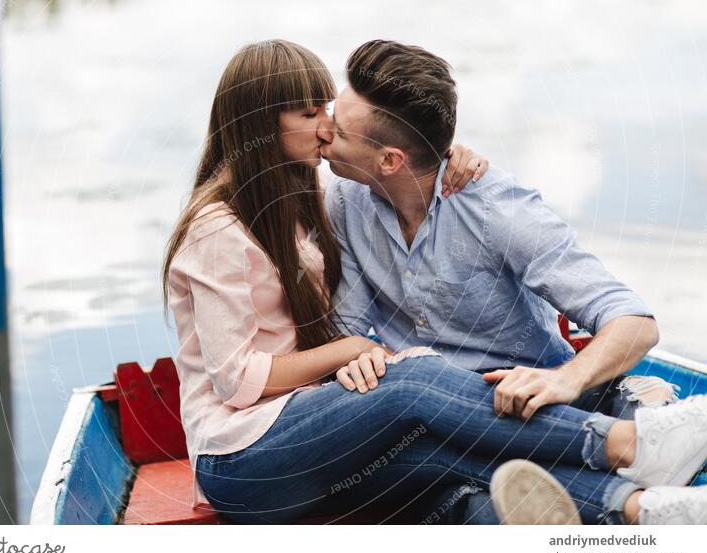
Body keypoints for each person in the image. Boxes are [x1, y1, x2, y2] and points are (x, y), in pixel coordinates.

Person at [163, 39, 707, 526]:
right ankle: (632, 446)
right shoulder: (336, 202)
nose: (326, 129)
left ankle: (645, 512)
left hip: (517, 403)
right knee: (419, 387)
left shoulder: (486, 207)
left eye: (330, 117)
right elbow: (323, 341)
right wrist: (351, 353)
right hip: (281, 439)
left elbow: (632, 319)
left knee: (446, 469)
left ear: (392, 159)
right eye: (314, 114)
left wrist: (566, 379)